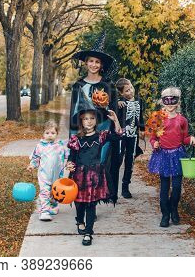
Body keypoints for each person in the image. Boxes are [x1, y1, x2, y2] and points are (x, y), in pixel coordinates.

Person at [66, 89, 122, 246]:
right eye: (86, 119)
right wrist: (69, 164)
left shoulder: (101, 136)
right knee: (80, 203)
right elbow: (72, 157)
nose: (89, 121)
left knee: (91, 205)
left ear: (96, 121)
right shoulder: (76, 139)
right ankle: (79, 221)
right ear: (81, 122)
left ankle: (89, 233)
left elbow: (118, 136)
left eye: (92, 118)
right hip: (79, 175)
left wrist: (116, 120)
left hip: (95, 176)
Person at [70, 32, 121, 203]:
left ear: (101, 65)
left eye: (97, 62)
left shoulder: (108, 85)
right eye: (91, 61)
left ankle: (95, 199)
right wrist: (73, 133)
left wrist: (115, 129)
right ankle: (84, 198)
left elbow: (113, 111)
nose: (94, 64)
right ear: (85, 63)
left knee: (100, 164)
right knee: (82, 165)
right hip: (84, 129)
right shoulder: (79, 85)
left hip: (103, 129)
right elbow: (74, 109)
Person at [148, 87, 195, 227]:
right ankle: (165, 215)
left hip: (177, 155)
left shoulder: (182, 120)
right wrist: (155, 143)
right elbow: (152, 138)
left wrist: (191, 139)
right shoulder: (157, 118)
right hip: (163, 155)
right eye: (166, 100)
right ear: (162, 101)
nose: (170, 104)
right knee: (164, 186)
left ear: (178, 102)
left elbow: (184, 138)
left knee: (176, 187)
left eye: (173, 100)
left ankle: (174, 209)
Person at [27, 120, 69, 221]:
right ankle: (44, 211)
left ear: (57, 134)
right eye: (47, 133)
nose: (50, 135)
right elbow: (35, 158)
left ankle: (53, 206)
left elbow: (69, 156)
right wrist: (32, 165)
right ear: (43, 134)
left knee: (55, 192)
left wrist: (70, 163)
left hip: (57, 175)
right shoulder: (40, 146)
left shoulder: (61, 146)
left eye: (53, 133)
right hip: (44, 175)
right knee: (45, 192)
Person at [115, 78, 145, 198]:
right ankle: (112, 188)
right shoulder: (120, 102)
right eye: (127, 91)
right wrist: (117, 103)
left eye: (131, 88)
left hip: (133, 135)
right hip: (122, 136)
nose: (131, 91)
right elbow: (113, 113)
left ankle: (125, 186)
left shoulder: (139, 101)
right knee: (118, 160)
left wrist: (142, 129)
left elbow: (140, 116)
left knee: (130, 160)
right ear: (122, 93)